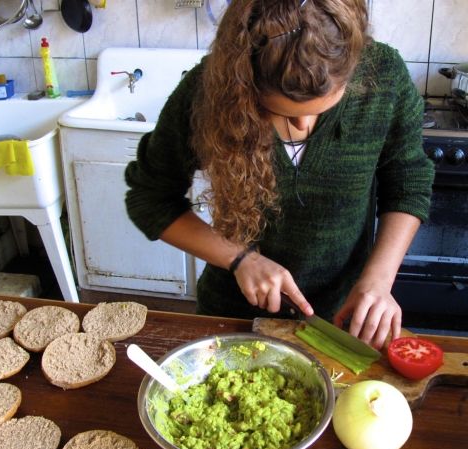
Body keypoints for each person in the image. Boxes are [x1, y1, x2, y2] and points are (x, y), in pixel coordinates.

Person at [125, 0, 434, 349]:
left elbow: (408, 182)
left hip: (341, 317)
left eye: (324, 109)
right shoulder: (207, 90)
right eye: (281, 112)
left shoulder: (385, 76)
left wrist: (378, 281)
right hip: (236, 314)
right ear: (246, 86)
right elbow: (149, 198)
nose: (304, 126)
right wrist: (241, 259)